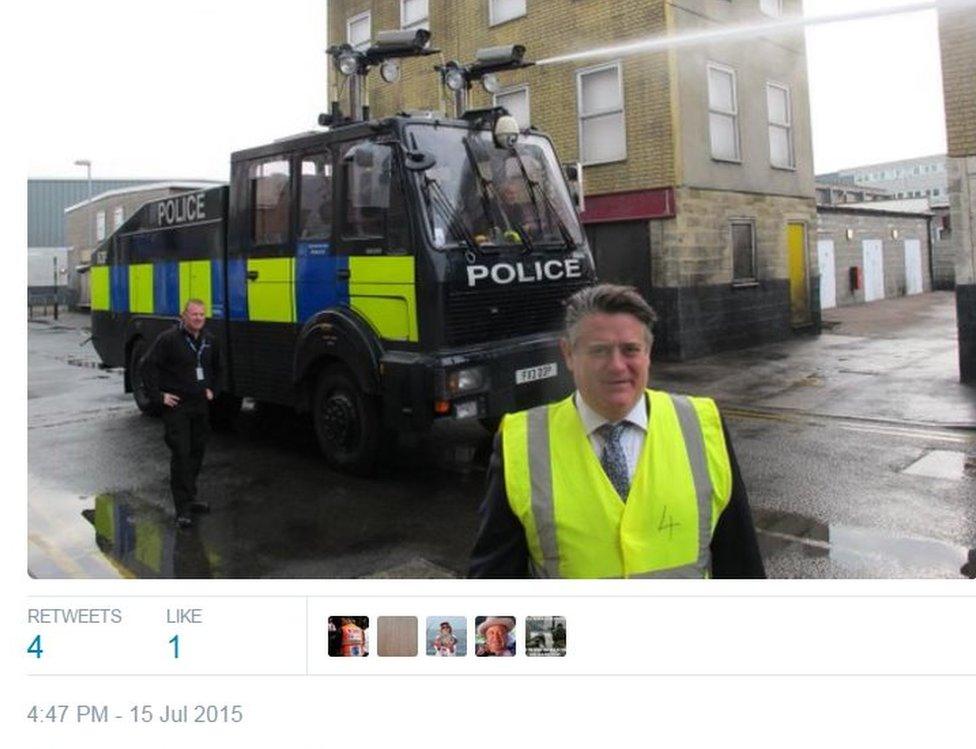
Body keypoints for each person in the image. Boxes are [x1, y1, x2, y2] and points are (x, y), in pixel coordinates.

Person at [468, 283, 766, 579]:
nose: (616, 366)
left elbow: (741, 566)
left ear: (648, 352)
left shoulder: (703, 425)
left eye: (630, 350)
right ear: (568, 354)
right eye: (598, 351)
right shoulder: (521, 441)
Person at [142, 299, 221, 528]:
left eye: (202, 314)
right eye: (194, 314)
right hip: (177, 407)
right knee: (181, 454)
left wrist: (212, 390)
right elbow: (148, 366)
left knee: (197, 452)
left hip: (199, 405)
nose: (198, 318)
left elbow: (218, 369)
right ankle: (182, 508)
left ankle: (191, 497)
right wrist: (159, 396)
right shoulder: (168, 339)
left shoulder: (209, 340)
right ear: (183, 316)